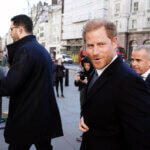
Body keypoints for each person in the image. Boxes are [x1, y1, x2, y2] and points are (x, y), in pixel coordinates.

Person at [79, 19, 150, 150]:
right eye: (90, 45)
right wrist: (85, 117)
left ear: (114, 43)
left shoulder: (130, 81)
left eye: (101, 44)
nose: (95, 52)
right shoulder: (97, 69)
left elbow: (140, 139)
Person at [0, 14, 63, 150]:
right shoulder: (41, 49)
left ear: (20, 29)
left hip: (27, 117)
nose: (10, 33)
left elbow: (10, 85)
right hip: (43, 114)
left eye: (12, 29)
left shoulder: (25, 51)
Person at [74, 56, 94, 142]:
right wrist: (77, 80)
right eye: (85, 65)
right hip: (83, 96)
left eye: (88, 65)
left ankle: (88, 135)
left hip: (91, 98)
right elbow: (76, 84)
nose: (86, 67)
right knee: (82, 114)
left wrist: (87, 82)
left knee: (89, 115)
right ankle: (84, 134)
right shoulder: (82, 72)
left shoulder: (94, 73)